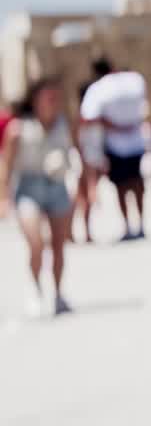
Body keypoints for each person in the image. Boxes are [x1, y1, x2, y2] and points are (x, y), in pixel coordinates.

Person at [0, 78, 77, 316]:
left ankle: (58, 293)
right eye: (48, 98)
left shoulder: (63, 125)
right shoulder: (18, 129)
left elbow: (73, 155)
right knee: (36, 242)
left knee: (58, 245)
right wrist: (3, 198)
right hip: (28, 188)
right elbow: (6, 165)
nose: (53, 103)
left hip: (56, 186)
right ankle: (35, 287)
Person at [79, 58, 150, 240]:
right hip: (136, 142)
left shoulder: (99, 88)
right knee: (137, 184)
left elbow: (88, 118)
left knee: (122, 187)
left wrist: (113, 125)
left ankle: (127, 226)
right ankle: (141, 224)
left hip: (115, 145)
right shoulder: (136, 80)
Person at [72, 79, 106, 243]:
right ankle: (77, 230)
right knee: (82, 194)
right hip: (88, 156)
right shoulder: (89, 114)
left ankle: (82, 231)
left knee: (81, 195)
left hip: (88, 156)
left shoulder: (89, 114)